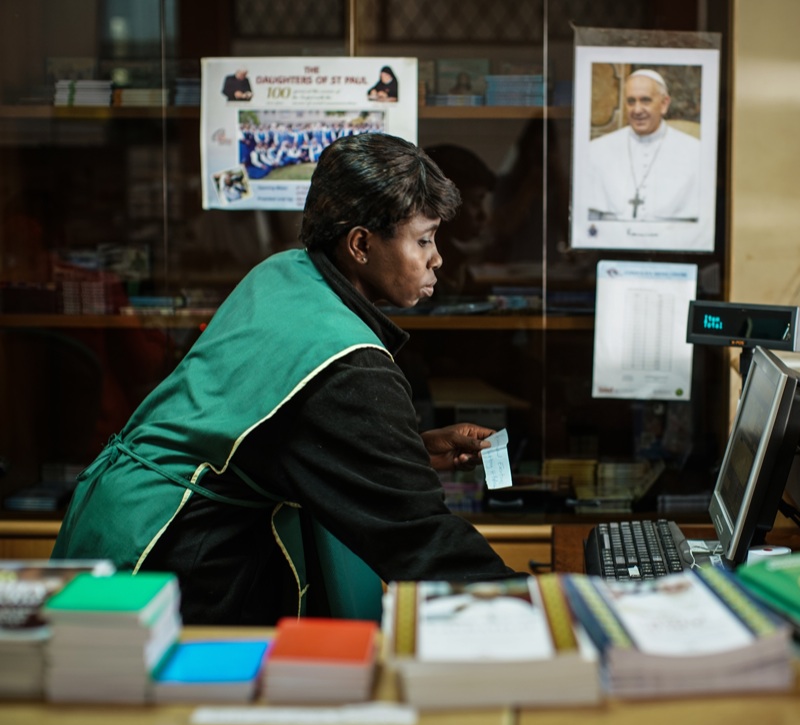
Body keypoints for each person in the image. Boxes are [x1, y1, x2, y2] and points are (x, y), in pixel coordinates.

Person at [51, 132, 523, 625]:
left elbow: (270, 419)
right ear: (361, 244)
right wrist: (547, 607)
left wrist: (404, 446)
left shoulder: (286, 273)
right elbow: (417, 539)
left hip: (119, 511)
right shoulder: (350, 364)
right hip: (165, 550)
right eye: (423, 239)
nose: (437, 258)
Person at [586, 69, 701, 222]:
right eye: (631, 101)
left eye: (645, 100)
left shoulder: (696, 151)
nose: (637, 110)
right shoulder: (596, 150)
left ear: (664, 104)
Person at [424, 144, 496, 297]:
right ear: (445, 204)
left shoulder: (455, 264)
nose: (483, 215)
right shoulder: (424, 269)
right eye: (476, 202)